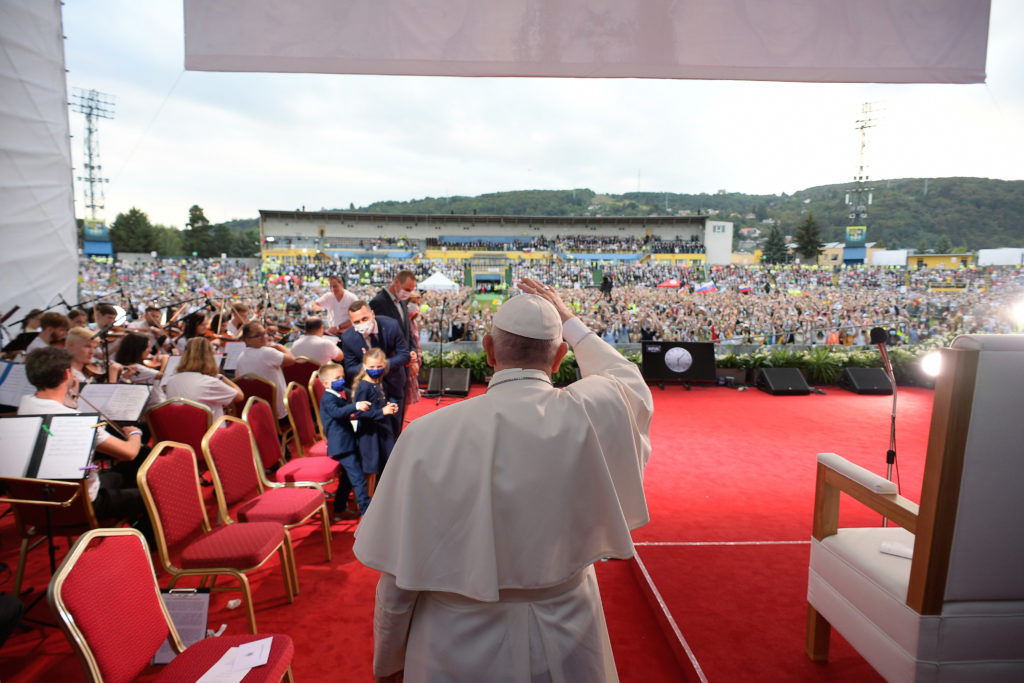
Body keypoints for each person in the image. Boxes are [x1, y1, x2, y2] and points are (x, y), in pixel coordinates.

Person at [353, 278, 653, 683]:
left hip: (456, 642)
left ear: (489, 351)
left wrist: (387, 662)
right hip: (568, 632)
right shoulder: (590, 414)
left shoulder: (425, 435)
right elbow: (628, 381)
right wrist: (569, 320)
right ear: (561, 355)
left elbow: (397, 580)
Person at [18, 347, 149, 526]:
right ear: (67, 374)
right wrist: (135, 433)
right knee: (155, 493)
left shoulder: (24, 405)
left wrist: (70, 398)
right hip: (83, 503)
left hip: (36, 503)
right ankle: (141, 539)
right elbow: (129, 453)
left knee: (119, 475)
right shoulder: (79, 420)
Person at [341, 301, 409, 436]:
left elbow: (404, 355)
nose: (361, 323)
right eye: (356, 322)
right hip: (368, 391)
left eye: (364, 319)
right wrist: (369, 366)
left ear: (372, 314)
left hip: (393, 384)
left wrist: (383, 364)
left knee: (394, 429)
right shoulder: (348, 337)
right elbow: (350, 369)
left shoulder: (391, 325)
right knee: (374, 433)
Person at [317, 363, 372, 520]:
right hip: (342, 445)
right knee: (358, 478)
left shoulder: (337, 394)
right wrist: (356, 406)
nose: (341, 380)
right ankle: (367, 514)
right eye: (337, 378)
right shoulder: (328, 398)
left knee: (347, 479)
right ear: (326, 383)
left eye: (342, 377)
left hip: (346, 442)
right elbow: (337, 412)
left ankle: (340, 509)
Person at [351, 348, 398, 492]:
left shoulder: (378, 382)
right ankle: (369, 501)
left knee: (387, 463)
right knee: (373, 467)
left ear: (384, 366)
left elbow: (379, 403)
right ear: (364, 367)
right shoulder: (364, 387)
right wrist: (381, 412)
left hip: (382, 430)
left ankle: (383, 494)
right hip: (370, 434)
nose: (375, 370)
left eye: (379, 367)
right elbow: (359, 414)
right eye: (371, 367)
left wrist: (389, 406)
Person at [164, 337, 243, 420]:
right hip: (210, 431)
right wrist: (221, 377)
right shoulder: (210, 382)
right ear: (210, 357)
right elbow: (240, 396)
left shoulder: (171, 381)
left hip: (180, 430)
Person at [236, 320, 295, 423]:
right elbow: (292, 360)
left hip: (254, 413)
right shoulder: (267, 352)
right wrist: (279, 347)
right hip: (278, 415)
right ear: (247, 340)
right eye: (258, 335)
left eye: (264, 333)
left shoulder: (240, 357)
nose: (264, 337)